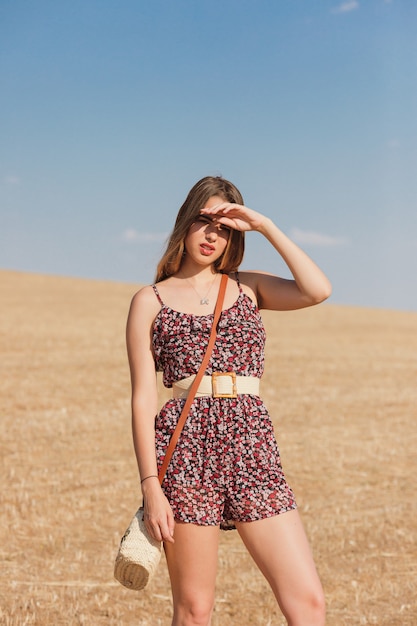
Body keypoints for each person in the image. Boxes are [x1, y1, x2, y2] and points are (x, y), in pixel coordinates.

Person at [126, 175, 331, 626]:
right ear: (185, 222)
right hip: (186, 454)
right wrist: (150, 486)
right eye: (203, 221)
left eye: (225, 227)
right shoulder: (150, 300)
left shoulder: (246, 288)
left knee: (308, 603)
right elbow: (143, 399)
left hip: (252, 447)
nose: (212, 234)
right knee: (195, 611)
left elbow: (317, 290)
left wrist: (266, 225)